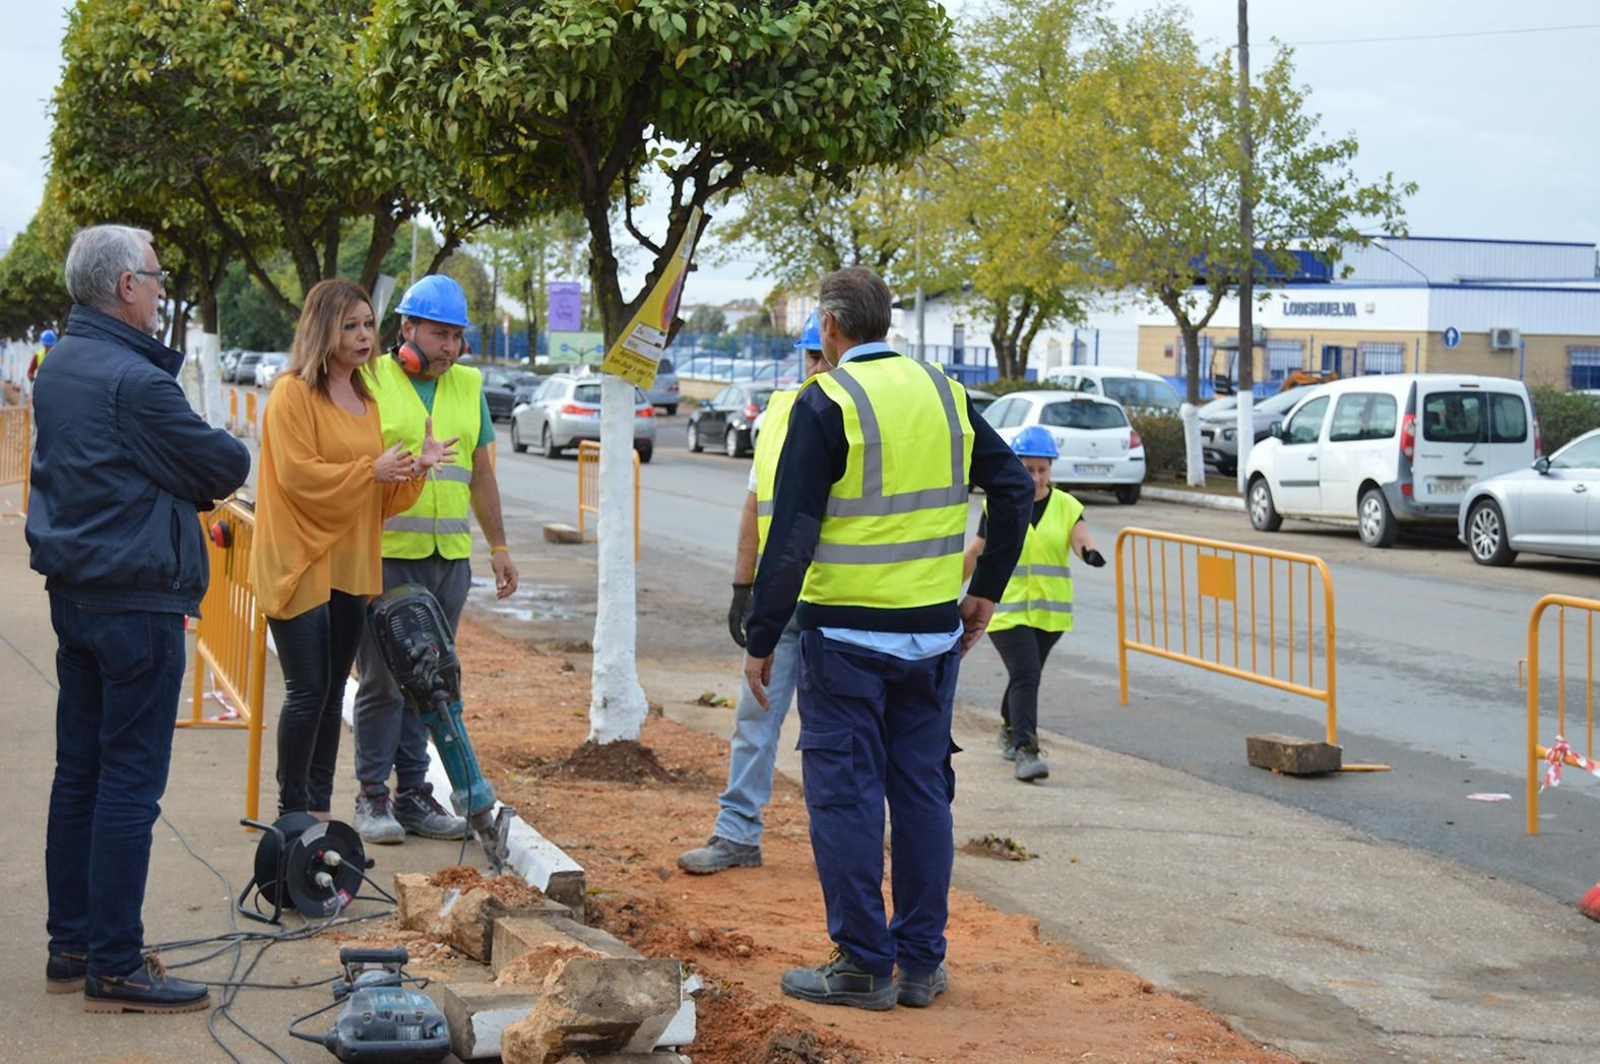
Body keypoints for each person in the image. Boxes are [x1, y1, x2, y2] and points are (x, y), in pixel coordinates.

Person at [742, 268, 1033, 1011]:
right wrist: (986, 590)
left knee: (845, 799)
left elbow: (794, 533)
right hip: (932, 641)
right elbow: (1013, 489)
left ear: (832, 328)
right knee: (924, 796)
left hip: (844, 640)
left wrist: (762, 634)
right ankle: (920, 964)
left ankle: (865, 965)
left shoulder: (826, 401)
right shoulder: (943, 394)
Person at [28, 224, 250, 1012]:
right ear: (126, 286)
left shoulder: (63, 365)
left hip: (78, 592)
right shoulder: (135, 381)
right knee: (127, 780)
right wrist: (176, 481)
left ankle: (74, 942)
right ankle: (117, 963)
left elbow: (143, 466)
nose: (162, 290)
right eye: (156, 278)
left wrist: (167, 477)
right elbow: (226, 464)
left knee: (80, 772)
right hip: (136, 598)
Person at [251, 279, 453, 820]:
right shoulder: (292, 393)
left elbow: (376, 499)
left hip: (349, 564)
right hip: (298, 560)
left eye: (368, 324)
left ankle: (318, 812)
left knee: (334, 685)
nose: (365, 336)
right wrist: (372, 470)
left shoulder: (365, 399)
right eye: (351, 326)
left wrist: (415, 468)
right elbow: (298, 478)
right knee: (307, 690)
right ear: (323, 330)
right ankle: (291, 813)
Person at [350, 274, 518, 844]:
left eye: (456, 336)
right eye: (439, 334)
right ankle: (372, 795)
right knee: (381, 682)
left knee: (431, 682)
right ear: (407, 329)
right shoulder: (370, 379)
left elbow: (482, 472)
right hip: (387, 557)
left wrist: (497, 546)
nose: (450, 347)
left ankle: (415, 796)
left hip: (449, 562)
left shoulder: (469, 387)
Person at [678, 311, 829, 874]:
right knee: (755, 715)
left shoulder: (860, 416)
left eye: (823, 355)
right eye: (809, 357)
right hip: (781, 600)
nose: (815, 367)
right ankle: (737, 832)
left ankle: (840, 841)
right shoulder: (780, 413)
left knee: (831, 733)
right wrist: (743, 587)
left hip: (839, 602)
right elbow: (754, 505)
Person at [962, 426, 1105, 783]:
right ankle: (1026, 749)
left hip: (1050, 614)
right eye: (1028, 469)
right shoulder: (1001, 504)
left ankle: (1010, 728)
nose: (1036, 477)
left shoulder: (1067, 505)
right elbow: (977, 550)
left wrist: (1090, 553)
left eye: (1042, 469)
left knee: (1026, 674)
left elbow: (1080, 537)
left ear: (1050, 469)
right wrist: (946, 583)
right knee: (1026, 673)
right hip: (1006, 610)